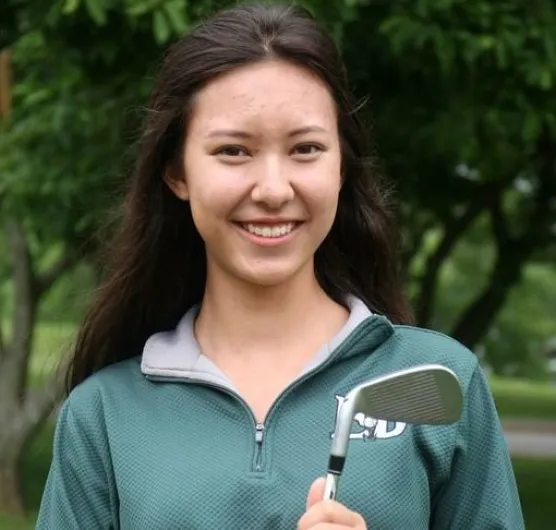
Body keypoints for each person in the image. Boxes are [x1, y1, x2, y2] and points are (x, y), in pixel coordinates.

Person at [36, 3, 525, 529]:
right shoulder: (104, 415)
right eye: (233, 151)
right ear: (177, 172)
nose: (273, 189)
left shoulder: (440, 377)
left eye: (306, 148)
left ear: (342, 166)